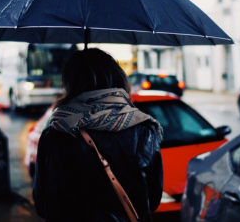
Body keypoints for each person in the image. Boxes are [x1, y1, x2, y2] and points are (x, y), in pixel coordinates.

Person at [33, 48, 163, 222]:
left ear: (71, 84)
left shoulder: (55, 133)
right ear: (117, 77)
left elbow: (43, 204)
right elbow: (152, 200)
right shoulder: (143, 129)